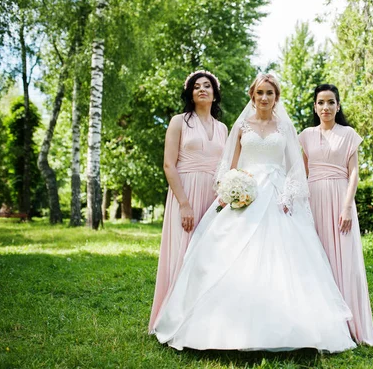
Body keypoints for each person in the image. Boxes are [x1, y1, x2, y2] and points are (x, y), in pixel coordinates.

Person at [151, 74, 356, 352]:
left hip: (278, 195)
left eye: (269, 93)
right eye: (259, 92)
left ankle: (295, 328)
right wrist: (231, 189)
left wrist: (288, 195)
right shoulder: (241, 126)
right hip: (246, 193)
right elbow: (228, 165)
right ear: (252, 95)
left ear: (276, 97)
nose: (264, 98)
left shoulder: (285, 127)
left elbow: (295, 167)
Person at [148, 70, 228, 332]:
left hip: (213, 196)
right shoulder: (179, 122)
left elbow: (225, 166)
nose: (202, 89)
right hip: (186, 191)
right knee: (183, 253)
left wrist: (225, 195)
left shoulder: (222, 128)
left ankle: (202, 322)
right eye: (196, 87)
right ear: (190, 94)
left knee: (208, 256)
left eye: (207, 86)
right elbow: (169, 165)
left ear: (215, 93)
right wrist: (184, 203)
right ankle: (173, 319)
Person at [298, 84, 373, 346]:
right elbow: (304, 173)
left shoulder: (349, 134)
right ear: (315, 107)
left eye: (331, 102)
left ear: (338, 106)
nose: (326, 107)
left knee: (345, 260)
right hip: (314, 199)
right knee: (317, 259)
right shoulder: (306, 135)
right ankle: (322, 326)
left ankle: (352, 326)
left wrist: (346, 206)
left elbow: (353, 173)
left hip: (341, 197)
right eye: (321, 103)